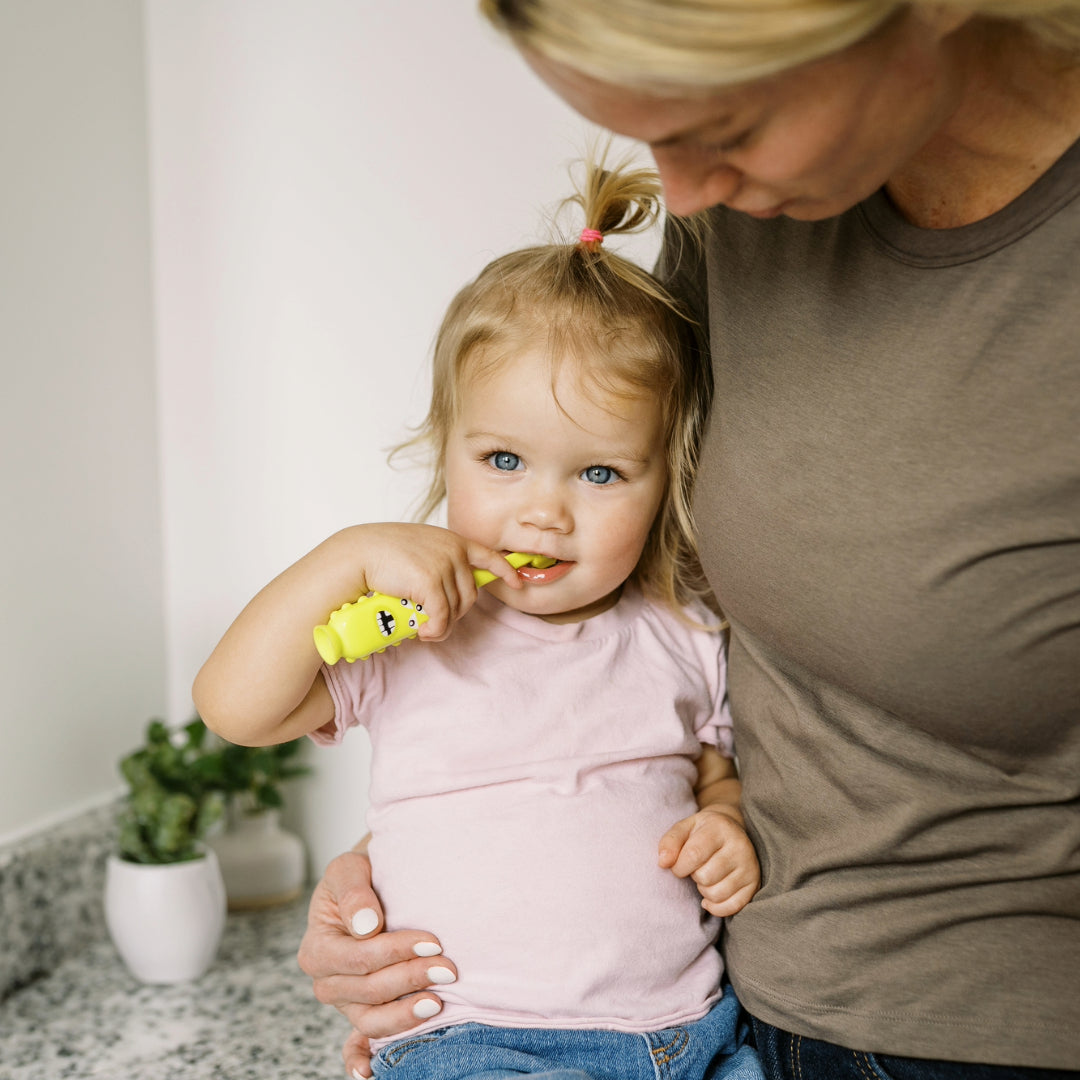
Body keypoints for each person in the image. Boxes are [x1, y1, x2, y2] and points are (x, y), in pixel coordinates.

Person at [296, 1, 1080, 1078]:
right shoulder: (745, 215)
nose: (685, 193)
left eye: (732, 121)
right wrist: (422, 873)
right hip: (729, 1004)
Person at [194, 158, 766, 1080]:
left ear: (668, 485)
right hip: (476, 1040)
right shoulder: (406, 630)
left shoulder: (681, 631)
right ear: (446, 448)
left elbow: (712, 774)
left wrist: (724, 825)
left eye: (599, 473)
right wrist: (343, 558)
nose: (544, 512)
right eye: (504, 460)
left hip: (688, 1034)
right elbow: (234, 707)